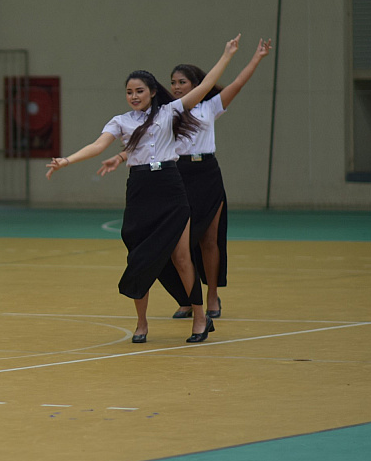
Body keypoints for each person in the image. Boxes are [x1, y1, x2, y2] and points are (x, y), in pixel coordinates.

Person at [46, 36, 241, 344]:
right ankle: (141, 323)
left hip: (171, 187)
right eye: (129, 92)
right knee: (140, 257)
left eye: (139, 91)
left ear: (152, 92)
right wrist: (67, 160)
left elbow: (205, 87)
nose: (134, 96)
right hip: (140, 189)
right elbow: (98, 145)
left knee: (182, 257)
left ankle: (200, 317)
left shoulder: (171, 111)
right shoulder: (121, 121)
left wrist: (227, 55)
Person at [102, 39, 273, 320]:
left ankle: (212, 295)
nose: (177, 86)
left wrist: (255, 57)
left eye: (182, 82)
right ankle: (185, 299)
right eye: (173, 82)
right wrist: (120, 158)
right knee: (173, 247)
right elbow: (142, 144)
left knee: (209, 240)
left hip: (207, 175)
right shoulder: (167, 112)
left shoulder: (208, 107)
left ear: (195, 84)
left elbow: (237, 84)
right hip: (177, 175)